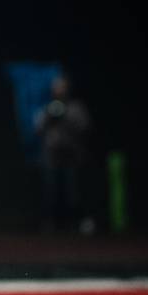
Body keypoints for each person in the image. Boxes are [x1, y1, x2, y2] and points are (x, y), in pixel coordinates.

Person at [34, 73, 93, 233]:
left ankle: (80, 222)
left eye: (62, 86)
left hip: (72, 156)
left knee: (74, 192)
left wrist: (66, 118)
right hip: (52, 157)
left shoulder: (76, 107)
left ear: (68, 88)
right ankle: (50, 223)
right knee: (51, 191)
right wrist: (49, 117)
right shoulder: (47, 107)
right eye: (56, 87)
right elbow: (37, 128)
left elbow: (85, 127)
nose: (59, 90)